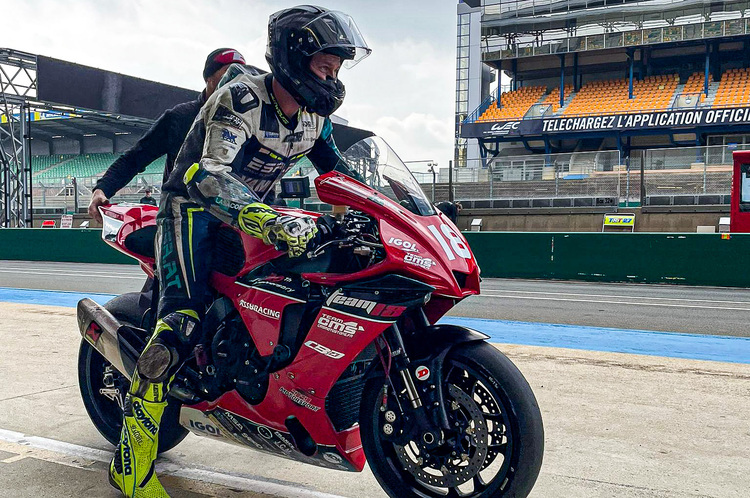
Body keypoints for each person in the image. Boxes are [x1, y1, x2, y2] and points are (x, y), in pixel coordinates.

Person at [107, 6, 371, 497]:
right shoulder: (242, 99)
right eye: (325, 67)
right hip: (192, 217)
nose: (333, 80)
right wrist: (269, 220)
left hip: (254, 220)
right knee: (177, 329)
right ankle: (130, 465)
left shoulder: (314, 119)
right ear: (295, 56)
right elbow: (205, 175)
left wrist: (391, 209)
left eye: (337, 69)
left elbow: (341, 176)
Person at [87, 47, 247, 223]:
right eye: (229, 72)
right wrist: (101, 190)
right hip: (181, 222)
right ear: (208, 77)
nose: (236, 80)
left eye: (241, 74)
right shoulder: (180, 117)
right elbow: (134, 158)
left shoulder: (250, 121)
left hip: (231, 223)